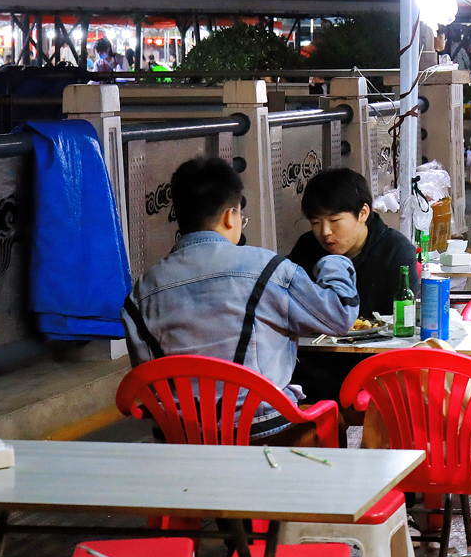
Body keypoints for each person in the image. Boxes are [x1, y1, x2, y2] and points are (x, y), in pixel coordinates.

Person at [123, 155, 358, 437]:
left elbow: (150, 378)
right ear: (229, 216)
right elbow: (339, 315)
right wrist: (334, 262)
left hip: (181, 437)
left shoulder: (140, 294)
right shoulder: (268, 269)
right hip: (262, 429)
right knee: (331, 419)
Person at [288, 166, 419, 319]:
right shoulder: (306, 248)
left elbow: (402, 320)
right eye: (316, 223)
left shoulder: (396, 252)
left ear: (363, 213)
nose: (325, 232)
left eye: (334, 220)